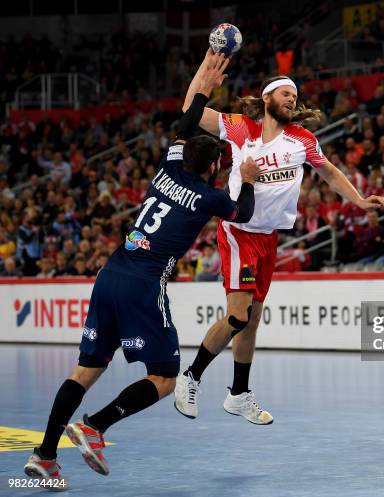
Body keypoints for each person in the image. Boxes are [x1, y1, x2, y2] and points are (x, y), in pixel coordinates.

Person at [23, 51, 260, 487]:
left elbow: (185, 125)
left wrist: (204, 80)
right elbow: (243, 212)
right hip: (144, 284)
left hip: (110, 275)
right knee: (165, 377)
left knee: (86, 370)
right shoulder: (209, 197)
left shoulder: (166, 168)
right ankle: (95, 427)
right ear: (213, 168)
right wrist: (244, 175)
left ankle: (45, 456)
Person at [175, 52, 384, 422]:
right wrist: (203, 76)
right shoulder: (242, 128)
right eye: (286, 93)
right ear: (268, 99)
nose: (293, 98)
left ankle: (239, 394)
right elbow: (189, 110)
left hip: (269, 237)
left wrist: (358, 200)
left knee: (253, 319)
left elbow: (329, 173)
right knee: (239, 316)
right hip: (239, 232)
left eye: (295, 95)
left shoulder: (302, 139)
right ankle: (190, 377)